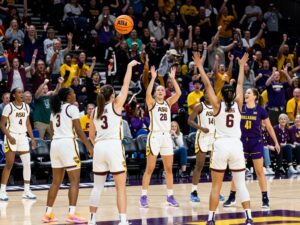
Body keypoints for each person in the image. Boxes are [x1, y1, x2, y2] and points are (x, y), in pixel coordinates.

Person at [193, 52, 254, 225]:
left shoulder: (217, 106)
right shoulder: (239, 103)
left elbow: (207, 83)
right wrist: (241, 66)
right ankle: (249, 217)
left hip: (220, 146)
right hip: (236, 145)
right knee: (240, 184)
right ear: (233, 95)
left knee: (216, 186)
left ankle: (211, 219)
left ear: (222, 94)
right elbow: (241, 83)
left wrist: (199, 65)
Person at [87, 60, 139, 225]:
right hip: (113, 146)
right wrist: (129, 66)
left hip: (100, 147)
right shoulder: (116, 105)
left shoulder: (94, 111)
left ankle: (92, 220)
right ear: (112, 96)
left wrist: (98, 147)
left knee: (97, 187)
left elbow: (91, 135)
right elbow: (125, 85)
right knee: (120, 187)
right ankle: (123, 220)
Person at [42, 87, 93, 223]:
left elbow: (51, 129)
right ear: (68, 97)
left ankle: (48, 214)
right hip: (67, 144)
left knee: (56, 182)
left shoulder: (55, 110)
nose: (75, 95)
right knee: (75, 181)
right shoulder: (72, 108)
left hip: (55, 144)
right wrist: (89, 147)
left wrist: (58, 137)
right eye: (73, 93)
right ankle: (71, 214)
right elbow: (78, 130)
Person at [223, 88, 280, 209]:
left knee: (259, 172)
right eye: (245, 93)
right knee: (237, 171)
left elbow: (269, 127)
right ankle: (232, 197)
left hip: (256, 142)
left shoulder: (261, 110)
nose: (246, 94)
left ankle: (265, 199)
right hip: (242, 142)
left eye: (249, 93)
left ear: (255, 96)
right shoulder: (240, 108)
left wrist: (276, 142)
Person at [140, 65, 181, 208]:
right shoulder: (151, 103)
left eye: (162, 90)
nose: (160, 91)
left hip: (166, 137)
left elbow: (179, 93)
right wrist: (152, 79)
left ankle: (170, 196)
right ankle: (143, 196)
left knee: (169, 169)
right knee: (150, 168)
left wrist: (173, 79)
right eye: (158, 90)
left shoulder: (168, 103)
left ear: (165, 93)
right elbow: (147, 94)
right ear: (155, 93)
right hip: (154, 137)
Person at [0, 88, 37, 201]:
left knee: (27, 163)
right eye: (19, 92)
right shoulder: (8, 107)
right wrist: (10, 137)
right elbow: (1, 124)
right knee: (9, 164)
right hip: (11, 135)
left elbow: (28, 124)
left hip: (22, 137)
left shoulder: (26, 107)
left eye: (22, 92)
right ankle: (2, 191)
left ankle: (26, 190)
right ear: (14, 95)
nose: (22, 94)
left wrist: (32, 139)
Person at [188, 91, 216, 202]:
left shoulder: (216, 106)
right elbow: (189, 120)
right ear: (204, 96)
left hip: (214, 137)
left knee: (214, 166)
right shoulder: (199, 107)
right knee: (199, 165)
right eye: (206, 94)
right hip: (202, 137)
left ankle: (215, 191)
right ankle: (193, 191)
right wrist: (201, 128)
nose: (208, 96)